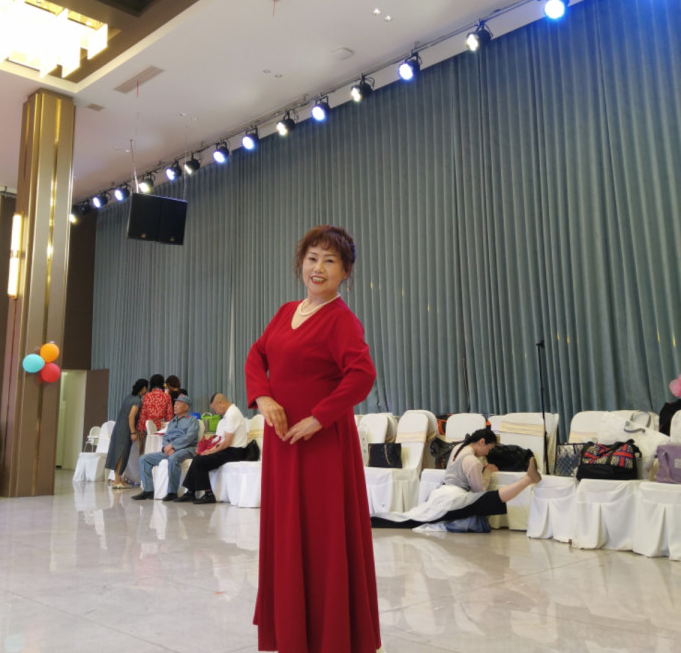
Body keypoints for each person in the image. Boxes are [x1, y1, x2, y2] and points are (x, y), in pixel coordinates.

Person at [245, 225, 382, 653]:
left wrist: (320, 418)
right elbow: (256, 355)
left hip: (321, 447)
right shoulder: (286, 311)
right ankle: (292, 630)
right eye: (311, 258)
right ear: (300, 264)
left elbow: (362, 375)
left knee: (321, 537)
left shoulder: (341, 320)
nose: (318, 268)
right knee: (287, 534)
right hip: (283, 445)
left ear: (345, 272)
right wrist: (263, 396)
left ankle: (330, 636)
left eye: (330, 260)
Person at [371, 428, 541, 531]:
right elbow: (479, 491)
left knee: (409, 517)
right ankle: (527, 479)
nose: (488, 453)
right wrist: (487, 472)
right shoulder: (472, 461)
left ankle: (371, 519)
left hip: (441, 493)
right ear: (481, 442)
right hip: (452, 499)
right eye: (488, 449)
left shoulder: (459, 447)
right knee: (488, 499)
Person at [174, 393, 249, 504]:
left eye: (215, 409)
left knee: (200, 461)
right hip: (230, 450)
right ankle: (190, 492)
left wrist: (212, 451)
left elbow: (227, 442)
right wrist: (210, 450)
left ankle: (209, 494)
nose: (216, 412)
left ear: (220, 403)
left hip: (235, 452)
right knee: (198, 457)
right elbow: (223, 441)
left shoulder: (232, 414)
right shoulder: (230, 413)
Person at [132, 394, 200, 501]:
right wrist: (165, 448)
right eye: (175, 404)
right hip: (169, 451)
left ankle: (172, 492)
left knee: (173, 458)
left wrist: (173, 446)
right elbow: (165, 437)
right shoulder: (172, 422)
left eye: (178, 404)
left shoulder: (192, 420)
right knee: (144, 459)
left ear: (186, 407)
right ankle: (148, 491)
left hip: (186, 449)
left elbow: (189, 438)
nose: (175, 406)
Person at [105, 378, 148, 488]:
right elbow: (131, 416)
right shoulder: (137, 401)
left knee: (117, 452)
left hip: (119, 427)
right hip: (126, 430)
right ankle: (117, 481)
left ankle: (118, 479)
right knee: (122, 454)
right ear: (143, 388)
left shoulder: (128, 397)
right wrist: (133, 432)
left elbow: (121, 411)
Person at [136, 373, 173, 453]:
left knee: (148, 450)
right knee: (160, 450)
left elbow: (143, 414)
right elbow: (169, 415)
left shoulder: (147, 396)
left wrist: (140, 429)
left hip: (148, 428)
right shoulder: (167, 396)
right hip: (161, 429)